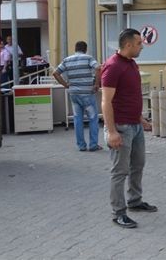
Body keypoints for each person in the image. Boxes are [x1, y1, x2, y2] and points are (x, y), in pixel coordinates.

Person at [102, 29, 157, 229]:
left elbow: (130, 97)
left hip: (134, 126)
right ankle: (118, 212)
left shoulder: (131, 64)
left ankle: (135, 201)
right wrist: (112, 131)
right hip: (121, 128)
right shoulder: (113, 66)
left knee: (138, 165)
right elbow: (106, 102)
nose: (142, 46)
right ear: (128, 45)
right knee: (120, 171)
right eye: (139, 44)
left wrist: (141, 119)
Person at [53, 41, 102, 152]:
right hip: (87, 94)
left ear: (75, 49)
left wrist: (65, 84)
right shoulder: (88, 58)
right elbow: (98, 68)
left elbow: (55, 73)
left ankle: (81, 146)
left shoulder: (67, 60)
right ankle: (93, 145)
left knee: (77, 119)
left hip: (74, 94)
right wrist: (96, 84)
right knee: (93, 118)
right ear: (85, 49)